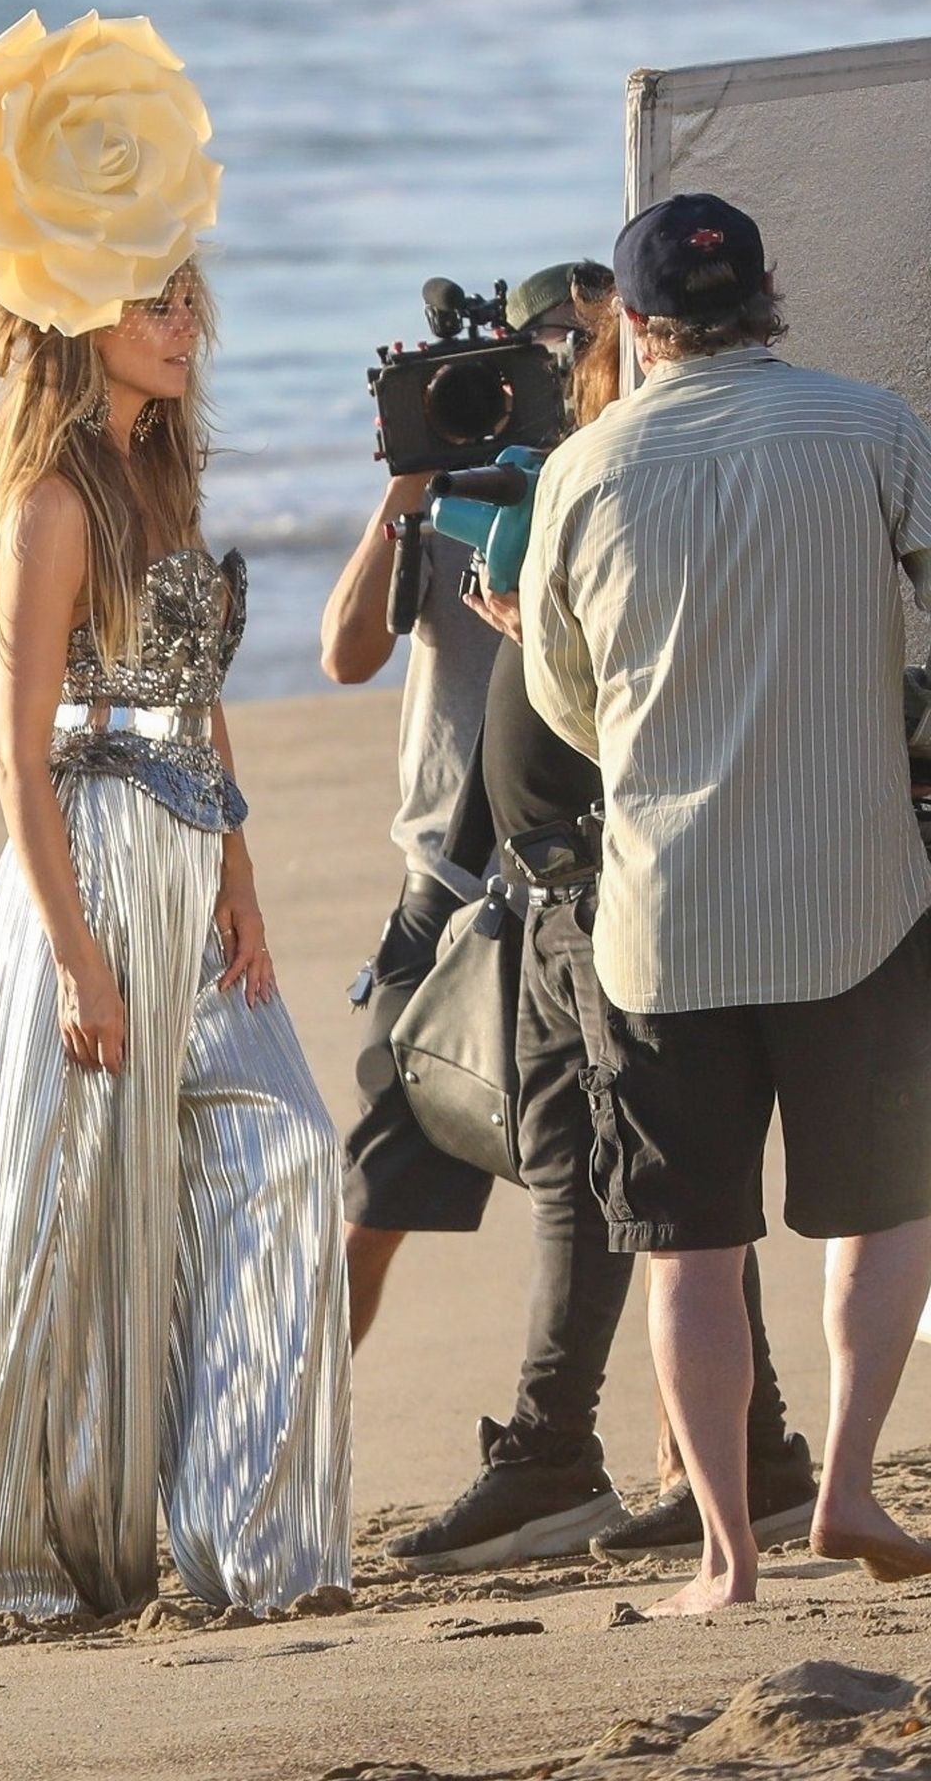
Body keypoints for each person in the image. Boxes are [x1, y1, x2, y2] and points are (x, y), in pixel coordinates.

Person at [0, 9, 351, 1626]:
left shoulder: (164, 482)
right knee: (73, 1217)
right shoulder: (48, 502)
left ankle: (250, 1541)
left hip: (187, 857)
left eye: (189, 298)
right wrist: (76, 952)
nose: (185, 323)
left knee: (282, 1145)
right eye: (155, 300)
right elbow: (17, 756)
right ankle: (40, 1564)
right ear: (79, 312)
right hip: (87, 872)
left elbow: (199, 701)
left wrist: (243, 871)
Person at [521, 190, 931, 1614]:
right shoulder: (872, 429)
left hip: (663, 913)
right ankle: (850, 1483)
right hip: (856, 894)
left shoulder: (583, 470)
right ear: (767, 298)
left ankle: (723, 1556)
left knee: (689, 1247)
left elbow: (561, 696)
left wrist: (657, 741)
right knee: (883, 1209)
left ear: (635, 326)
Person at [386, 278, 815, 1574]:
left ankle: (646, 1454)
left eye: (576, 340)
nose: (562, 361)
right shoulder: (583, 472)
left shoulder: (649, 469)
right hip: (548, 883)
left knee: (661, 1170)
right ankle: (581, 1454)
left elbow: (666, 665)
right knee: (593, 1166)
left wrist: (540, 624)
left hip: (613, 875)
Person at [322, 264, 604, 1349]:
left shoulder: (619, 494)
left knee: (644, 1203)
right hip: (445, 890)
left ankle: (700, 1441)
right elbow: (346, 654)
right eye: (553, 353)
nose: (571, 372)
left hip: (580, 886)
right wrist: (409, 484)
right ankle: (296, 1438)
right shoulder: (450, 503)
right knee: (374, 1201)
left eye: (590, 348)